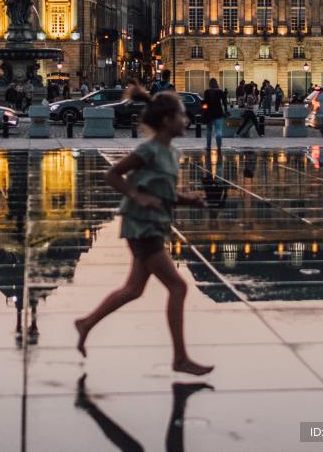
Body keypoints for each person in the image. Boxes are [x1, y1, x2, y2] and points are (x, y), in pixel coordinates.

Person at [73, 84, 213, 377]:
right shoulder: (148, 150)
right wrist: (136, 195)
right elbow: (111, 175)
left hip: (154, 225)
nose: (186, 121)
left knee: (133, 289)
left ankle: (86, 323)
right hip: (142, 227)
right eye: (181, 116)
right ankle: (180, 358)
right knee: (178, 287)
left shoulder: (170, 153)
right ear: (166, 121)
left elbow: (162, 191)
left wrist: (188, 200)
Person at [202, 78, 227, 152]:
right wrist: (225, 111)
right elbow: (225, 102)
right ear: (216, 83)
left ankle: (208, 146)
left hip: (209, 113)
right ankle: (219, 146)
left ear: (210, 84)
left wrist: (204, 111)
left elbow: (205, 103)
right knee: (218, 130)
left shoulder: (207, 91)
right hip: (218, 112)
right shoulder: (220, 91)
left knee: (209, 130)